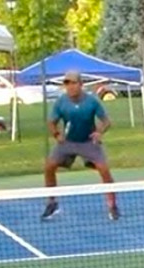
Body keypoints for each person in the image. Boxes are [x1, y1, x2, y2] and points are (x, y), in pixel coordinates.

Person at [42, 70, 120, 221]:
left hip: (88, 142)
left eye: (73, 83)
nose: (70, 86)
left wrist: (99, 133)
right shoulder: (61, 102)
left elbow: (106, 122)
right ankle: (52, 203)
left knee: (104, 170)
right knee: (49, 166)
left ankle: (112, 206)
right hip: (68, 143)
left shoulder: (91, 101)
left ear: (81, 84)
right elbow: (51, 122)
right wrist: (57, 135)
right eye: (66, 83)